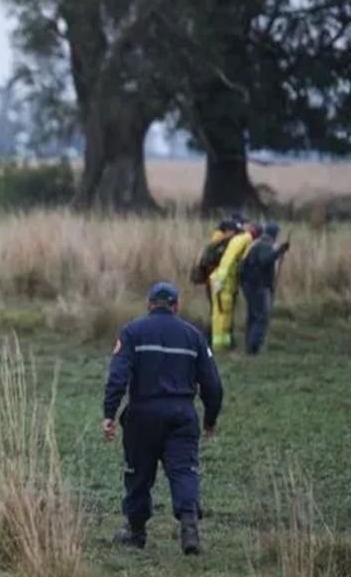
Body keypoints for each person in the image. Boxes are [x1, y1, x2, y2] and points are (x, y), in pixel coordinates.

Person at [104, 282, 223, 555]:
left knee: (138, 474)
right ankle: (190, 526)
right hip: (181, 416)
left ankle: (135, 532)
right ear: (176, 306)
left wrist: (109, 414)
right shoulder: (194, 336)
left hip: (142, 415)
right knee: (184, 471)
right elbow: (213, 385)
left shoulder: (132, 332)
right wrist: (210, 419)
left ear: (149, 305)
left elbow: (117, 377)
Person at [241, 222, 291, 355]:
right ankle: (253, 347)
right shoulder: (264, 245)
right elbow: (265, 260)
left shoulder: (257, 244)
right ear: (274, 234)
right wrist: (279, 251)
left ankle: (249, 344)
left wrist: (278, 250)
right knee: (261, 317)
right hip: (258, 286)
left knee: (252, 315)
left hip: (249, 284)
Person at [207, 215, 255, 351]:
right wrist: (220, 281)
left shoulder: (231, 240)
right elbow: (227, 261)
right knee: (221, 313)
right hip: (223, 283)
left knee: (222, 313)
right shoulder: (239, 240)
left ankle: (223, 343)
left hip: (221, 282)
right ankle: (219, 345)